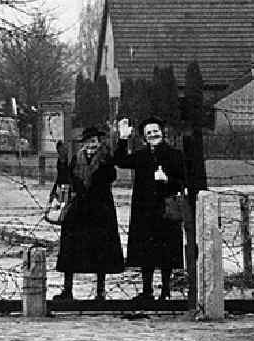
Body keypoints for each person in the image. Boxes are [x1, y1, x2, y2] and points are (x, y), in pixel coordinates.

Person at [112, 116, 187, 301]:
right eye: (149, 133)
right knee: (146, 252)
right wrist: (122, 138)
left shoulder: (175, 155)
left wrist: (167, 180)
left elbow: (184, 181)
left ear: (163, 132)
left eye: (156, 131)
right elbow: (120, 161)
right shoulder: (141, 155)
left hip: (166, 209)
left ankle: (166, 291)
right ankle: (147, 291)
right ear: (144, 138)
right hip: (144, 210)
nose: (153, 135)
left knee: (166, 252)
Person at [53, 127, 125, 301]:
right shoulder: (77, 159)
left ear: (99, 142)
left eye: (93, 141)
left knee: (100, 250)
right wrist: (62, 161)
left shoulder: (106, 159)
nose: (90, 145)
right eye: (87, 142)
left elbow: (110, 177)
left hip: (100, 209)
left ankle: (100, 291)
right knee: (71, 249)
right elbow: (65, 179)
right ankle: (67, 290)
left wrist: (105, 161)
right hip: (78, 208)